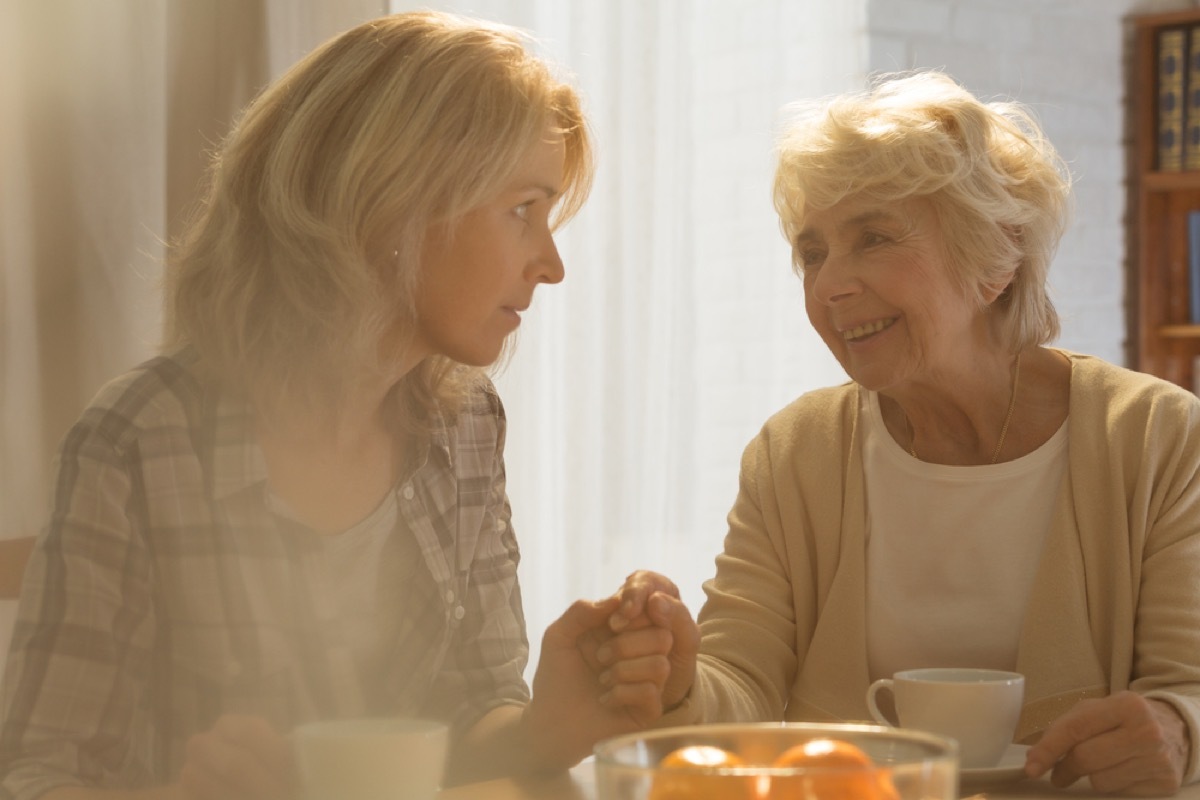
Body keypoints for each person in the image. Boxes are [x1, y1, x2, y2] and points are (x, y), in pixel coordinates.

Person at [0, 11, 677, 800]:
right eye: (524, 209)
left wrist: (546, 727)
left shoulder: (467, 426)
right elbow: (37, 777)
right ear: (391, 202)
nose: (551, 264)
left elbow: (468, 722)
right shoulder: (136, 443)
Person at [607, 69, 1200, 796]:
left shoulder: (1160, 437)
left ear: (996, 257)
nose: (827, 287)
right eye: (814, 251)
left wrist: (1177, 727)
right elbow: (742, 682)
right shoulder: (794, 452)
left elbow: (1190, 687)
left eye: (875, 238)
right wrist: (677, 678)